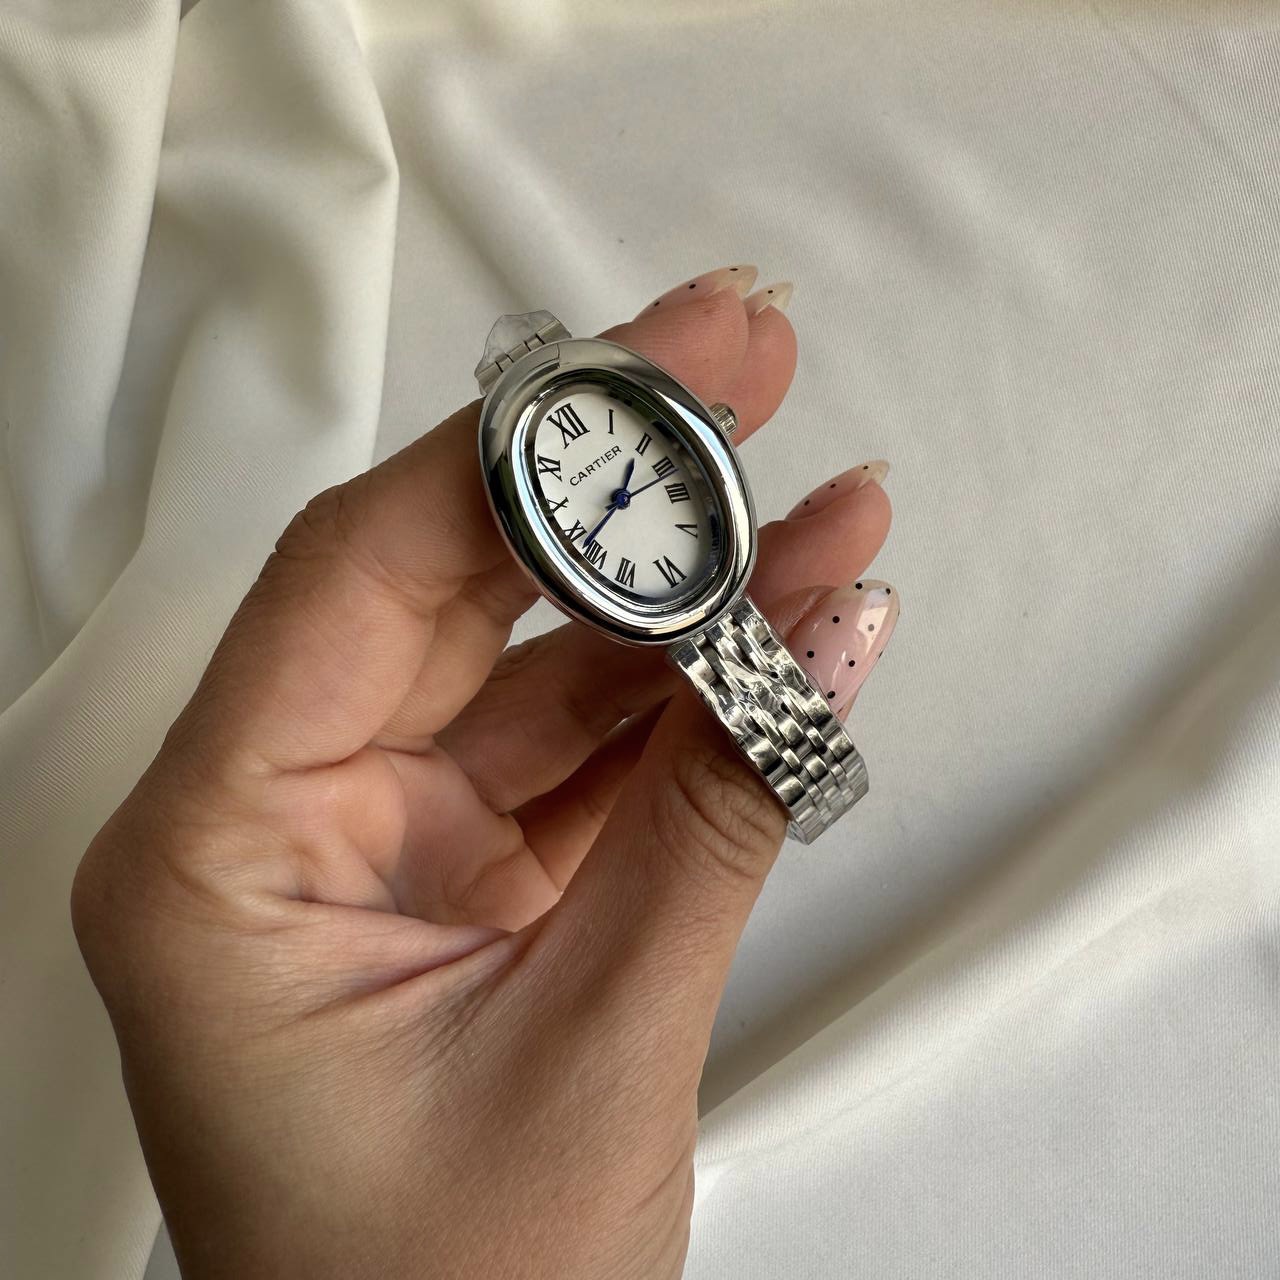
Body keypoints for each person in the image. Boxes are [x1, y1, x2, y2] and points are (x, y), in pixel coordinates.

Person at [71, 267, 896, 1278]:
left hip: (689, 577)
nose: (622, 495)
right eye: (605, 500)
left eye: (634, 481)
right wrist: (747, 781)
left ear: (701, 443)